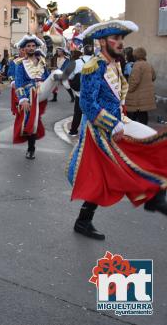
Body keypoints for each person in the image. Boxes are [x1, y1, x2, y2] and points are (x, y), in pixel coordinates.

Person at [67, 20, 167, 240]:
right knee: (112, 173)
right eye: (116, 39)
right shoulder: (94, 66)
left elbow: (115, 98)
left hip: (119, 122)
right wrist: (112, 125)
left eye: (122, 39)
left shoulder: (115, 64)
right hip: (100, 128)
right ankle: (153, 197)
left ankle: (154, 195)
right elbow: (87, 104)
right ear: (102, 41)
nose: (121, 43)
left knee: (153, 142)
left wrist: (122, 120)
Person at [14, 35, 51, 159]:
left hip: (42, 93)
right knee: (32, 121)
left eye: (33, 46)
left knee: (34, 120)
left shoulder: (42, 62)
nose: (31, 48)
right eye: (28, 46)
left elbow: (47, 77)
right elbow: (18, 83)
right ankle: (31, 148)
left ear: (36, 47)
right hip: (29, 94)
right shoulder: (20, 64)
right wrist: (23, 99)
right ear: (24, 48)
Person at [67, 43, 94, 136]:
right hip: (94, 93)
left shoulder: (75, 62)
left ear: (83, 52)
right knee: (93, 113)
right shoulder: (98, 63)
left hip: (80, 93)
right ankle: (91, 133)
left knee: (77, 113)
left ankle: (73, 131)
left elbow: (68, 76)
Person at [125, 47, 156, 125]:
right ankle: (144, 132)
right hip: (146, 95)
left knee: (136, 114)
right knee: (143, 113)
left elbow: (135, 81)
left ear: (136, 55)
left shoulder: (137, 65)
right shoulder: (148, 65)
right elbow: (154, 77)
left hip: (138, 96)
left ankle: (139, 133)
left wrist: (129, 90)